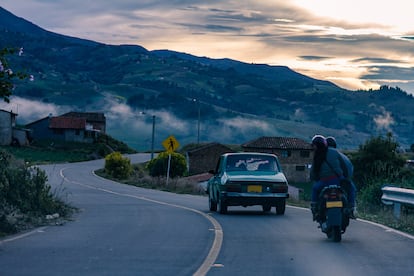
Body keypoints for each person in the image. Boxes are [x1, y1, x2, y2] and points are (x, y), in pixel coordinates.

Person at [310, 135, 355, 221]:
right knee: (351, 188)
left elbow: (313, 172)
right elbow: (344, 166)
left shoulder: (317, 155)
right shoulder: (336, 153)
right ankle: (351, 208)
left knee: (315, 189)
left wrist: (314, 179)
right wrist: (345, 177)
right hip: (338, 179)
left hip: (323, 181)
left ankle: (314, 209)